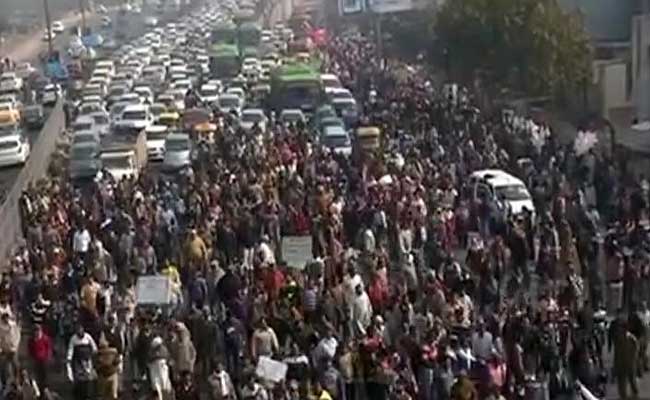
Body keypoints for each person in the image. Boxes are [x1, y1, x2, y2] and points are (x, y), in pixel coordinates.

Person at [66, 324, 98, 400]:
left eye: (81, 330)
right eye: (78, 331)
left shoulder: (88, 337)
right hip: (78, 361)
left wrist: (94, 354)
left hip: (88, 360)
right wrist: (69, 358)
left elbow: (94, 347)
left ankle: (89, 394)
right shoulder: (73, 339)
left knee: (89, 378)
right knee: (79, 379)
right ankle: (79, 394)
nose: (80, 332)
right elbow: (70, 349)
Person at [28, 324, 52, 389]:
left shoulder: (45, 338)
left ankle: (45, 388)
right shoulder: (31, 340)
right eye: (35, 331)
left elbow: (49, 348)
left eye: (38, 330)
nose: (37, 332)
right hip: (36, 360)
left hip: (44, 360)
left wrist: (48, 357)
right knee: (38, 375)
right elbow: (30, 349)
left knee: (44, 375)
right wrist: (32, 357)